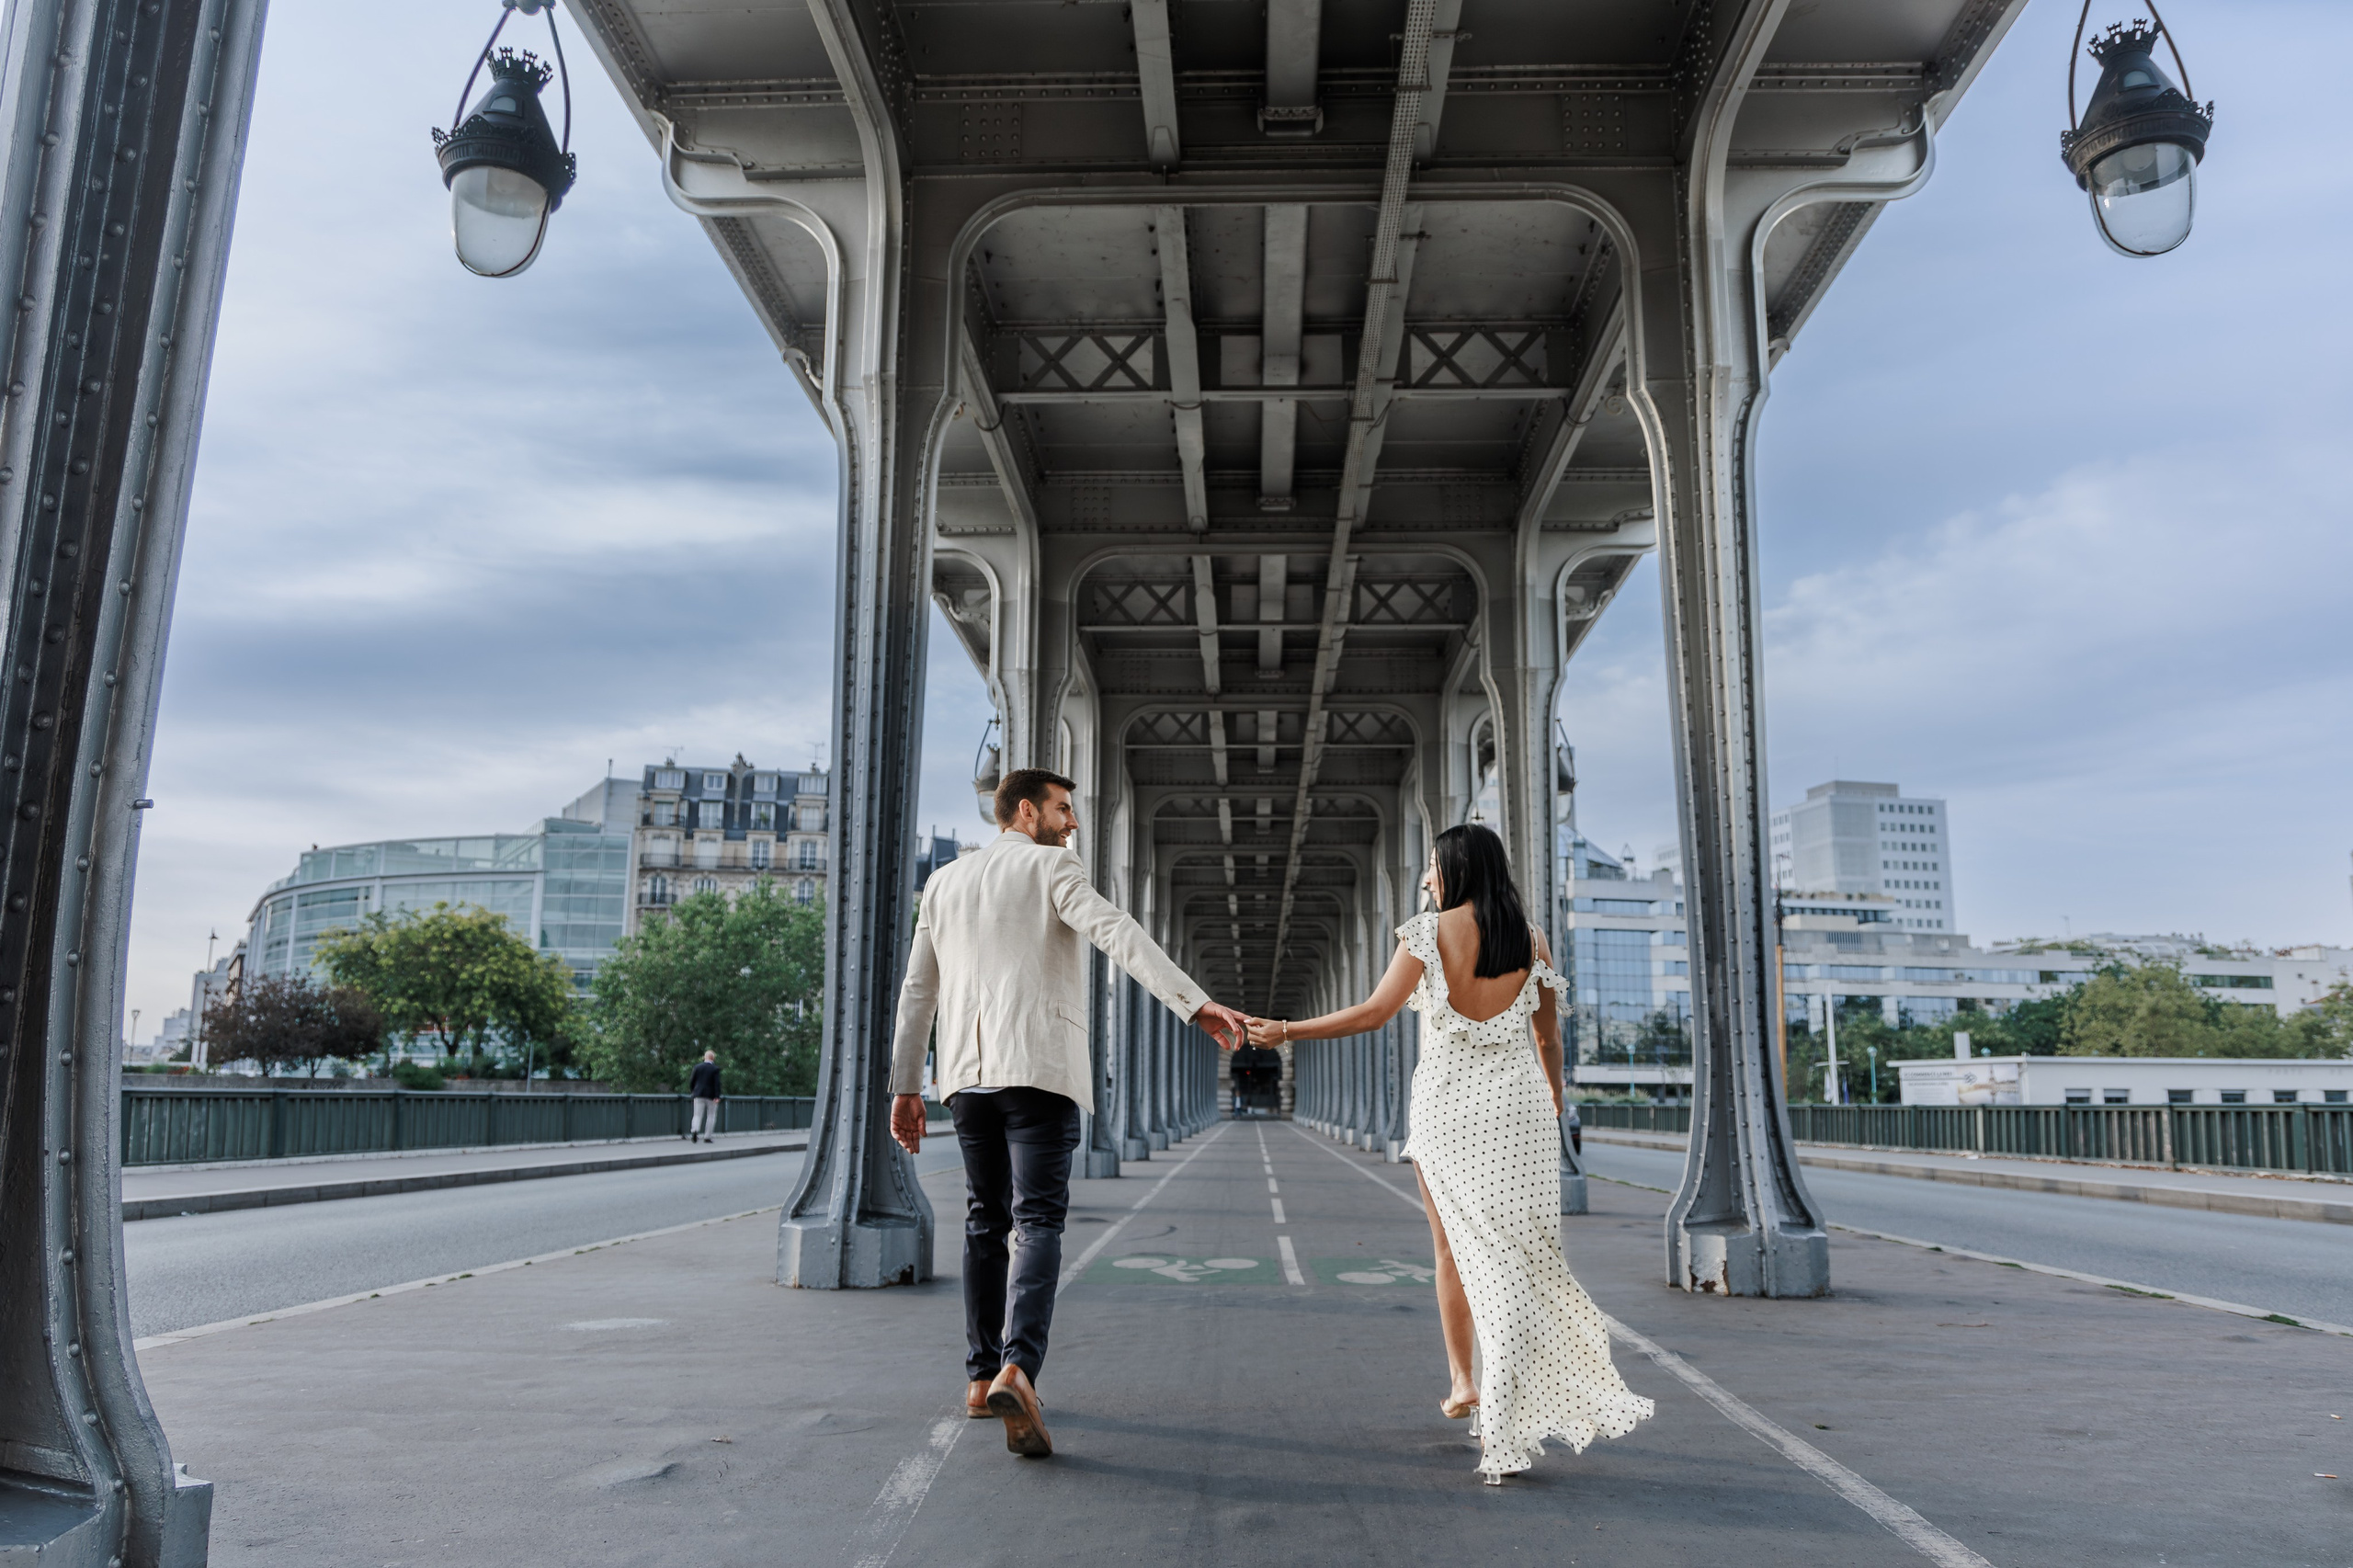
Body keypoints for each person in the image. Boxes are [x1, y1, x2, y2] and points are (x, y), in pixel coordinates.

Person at [1245, 823, 1652, 1483]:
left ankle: (1466, 1381)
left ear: (1457, 869)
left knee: (1452, 1251)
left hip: (1447, 1111)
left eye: (1434, 865)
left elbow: (1373, 1013)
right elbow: (1548, 1037)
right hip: (1519, 1111)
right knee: (1521, 1257)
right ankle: (1498, 1395)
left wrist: (1287, 1030)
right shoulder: (1532, 940)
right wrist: (1553, 1095)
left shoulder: (1427, 933)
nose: (1427, 877)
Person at [887, 767, 1248, 1460]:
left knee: (984, 1220)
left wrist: (906, 1085)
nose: (1073, 822)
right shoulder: (1052, 867)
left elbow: (917, 991)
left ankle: (980, 1377)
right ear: (1026, 812)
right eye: (1063, 809)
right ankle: (1019, 1369)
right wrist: (1194, 1002)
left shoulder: (943, 883)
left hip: (966, 1078)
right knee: (1038, 1220)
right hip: (1040, 1070)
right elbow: (1117, 932)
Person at [686, 1050, 722, 1143]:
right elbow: (717, 1084)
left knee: (697, 1115)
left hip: (698, 1094)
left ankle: (695, 1130)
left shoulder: (697, 1067)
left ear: (704, 1057)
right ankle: (707, 1136)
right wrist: (717, 1096)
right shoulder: (715, 1069)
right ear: (713, 1058)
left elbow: (692, 1081)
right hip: (711, 1096)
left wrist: (694, 1091)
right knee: (711, 1115)